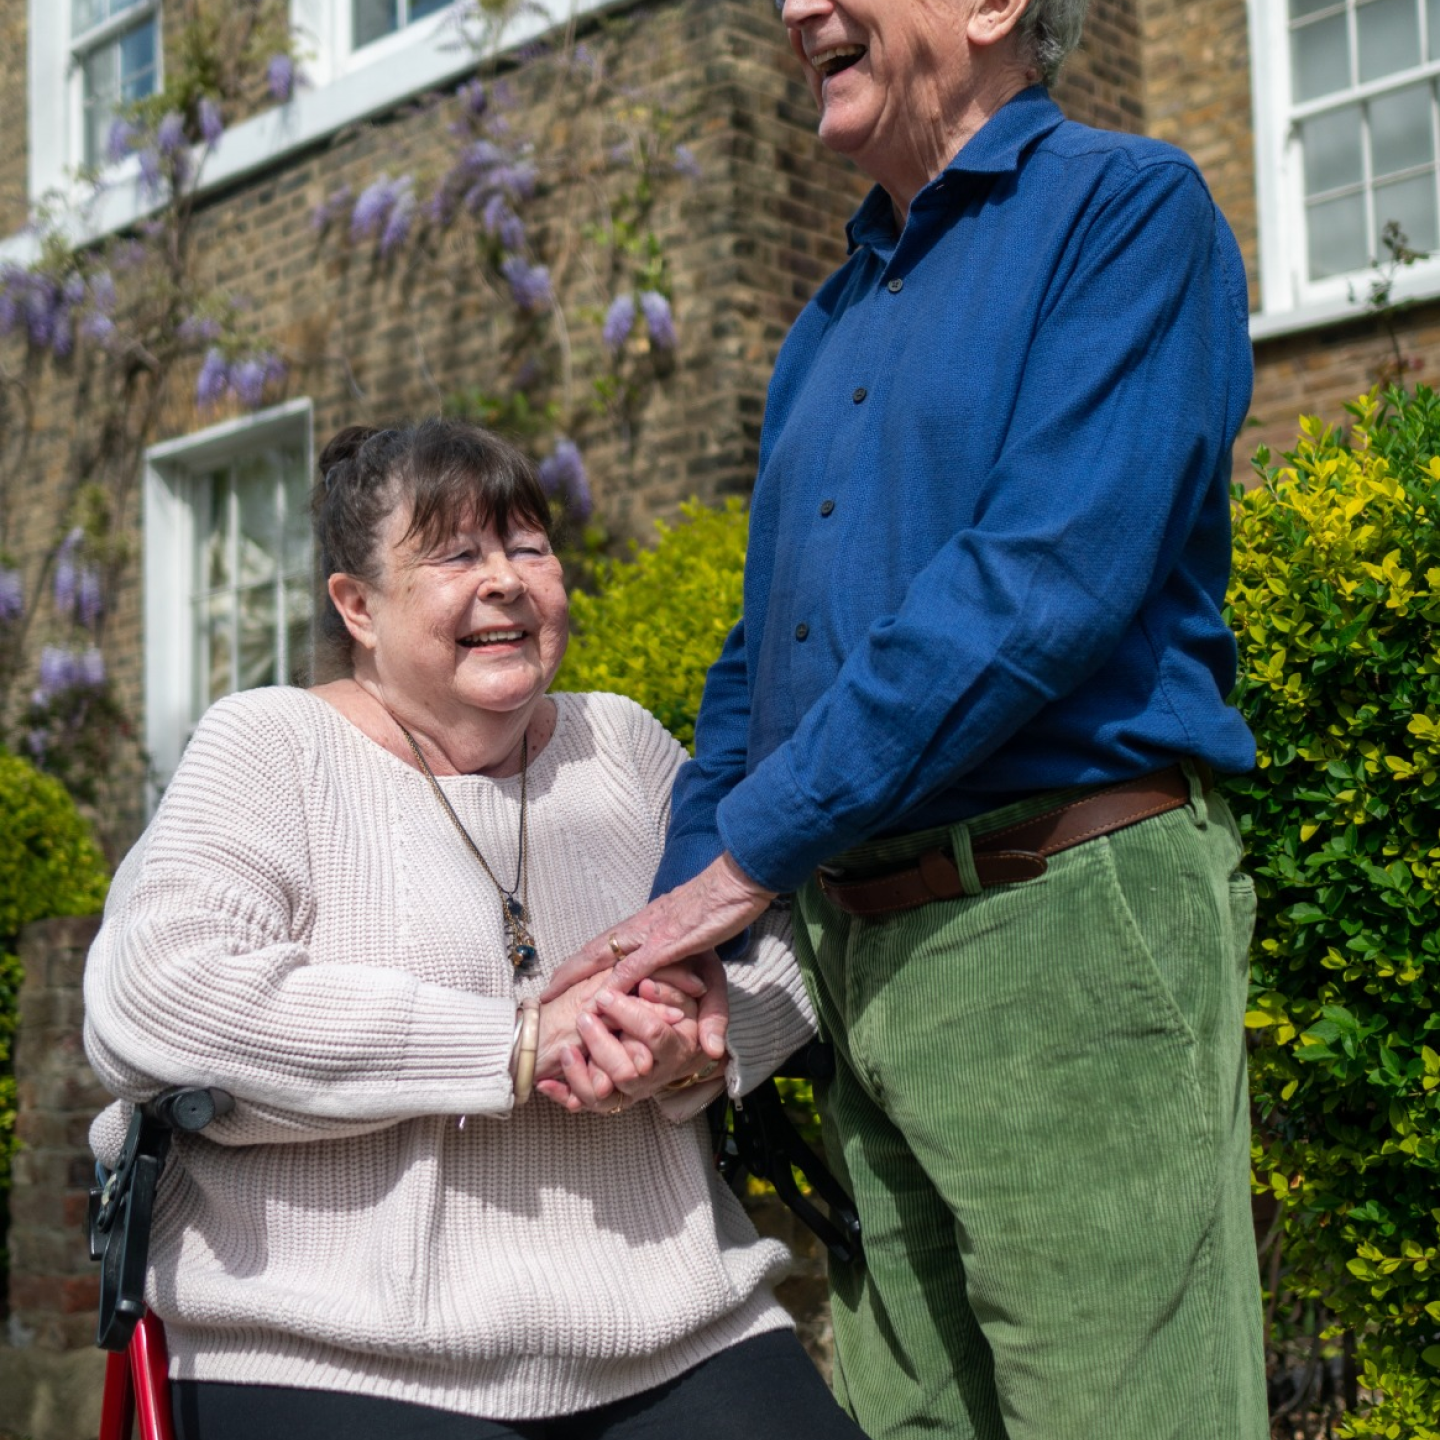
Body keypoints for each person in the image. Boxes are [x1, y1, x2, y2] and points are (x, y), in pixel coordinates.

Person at [543, 1, 1269, 1437]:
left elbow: (1040, 584)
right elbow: (762, 665)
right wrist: (691, 936)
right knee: (906, 1422)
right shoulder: (827, 322)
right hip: (862, 952)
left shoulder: (1127, 211)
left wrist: (747, 861)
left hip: (1062, 922)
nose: (796, 8)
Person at [82, 419, 867, 1440]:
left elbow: (787, 934)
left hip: (676, 1323)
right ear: (356, 606)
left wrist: (701, 1042)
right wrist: (517, 1043)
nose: (504, 581)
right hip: (327, 1348)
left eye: (528, 547)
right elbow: (156, 996)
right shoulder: (272, 747)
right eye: (455, 555)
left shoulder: (621, 745)